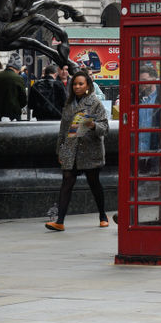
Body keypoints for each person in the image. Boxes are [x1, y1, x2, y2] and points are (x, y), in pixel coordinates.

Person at [45, 70, 109, 230]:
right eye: (75, 84)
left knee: (94, 183)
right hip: (70, 149)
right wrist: (60, 150)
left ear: (88, 86)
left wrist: (94, 125)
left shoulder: (95, 103)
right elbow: (63, 129)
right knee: (67, 182)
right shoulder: (68, 104)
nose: (77, 87)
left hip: (90, 149)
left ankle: (102, 214)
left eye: (81, 84)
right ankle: (59, 221)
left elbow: (105, 128)